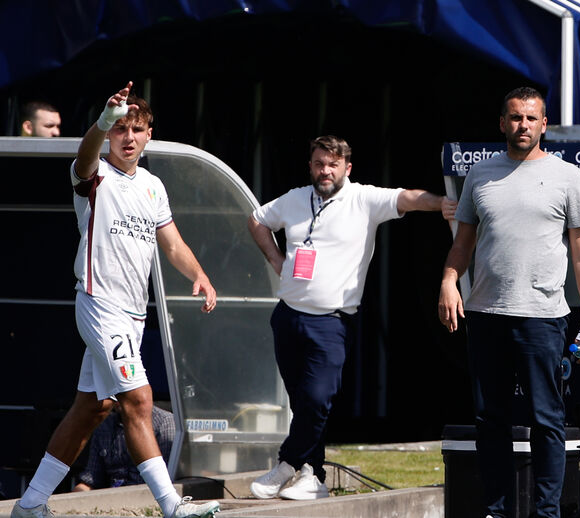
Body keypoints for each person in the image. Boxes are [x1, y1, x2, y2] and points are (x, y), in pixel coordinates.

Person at [12, 81, 219, 518]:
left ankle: (30, 504)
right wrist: (101, 120)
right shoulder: (94, 173)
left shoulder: (153, 186)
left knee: (93, 408)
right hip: (98, 304)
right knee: (139, 401)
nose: (128, 137)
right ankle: (171, 506)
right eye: (120, 128)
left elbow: (172, 242)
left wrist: (199, 274)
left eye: (136, 129)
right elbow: (84, 156)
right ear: (110, 132)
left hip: (132, 313)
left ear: (149, 135)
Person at [247, 134, 456, 500]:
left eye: (332, 164)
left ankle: (286, 465)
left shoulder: (363, 199)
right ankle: (314, 476)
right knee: (303, 405)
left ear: (347, 167)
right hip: (288, 316)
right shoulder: (296, 198)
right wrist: (277, 261)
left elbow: (406, 197)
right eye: (318, 164)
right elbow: (257, 220)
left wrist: (440, 203)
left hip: (332, 321)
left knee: (316, 399)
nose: (325, 171)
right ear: (310, 166)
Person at [438, 86, 580, 518]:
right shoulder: (480, 174)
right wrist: (448, 281)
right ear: (502, 123)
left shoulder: (569, 177)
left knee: (547, 421)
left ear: (544, 124)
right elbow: (463, 243)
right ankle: (497, 510)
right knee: (489, 420)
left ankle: (546, 512)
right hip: (486, 314)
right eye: (515, 117)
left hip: (543, 318)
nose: (523, 125)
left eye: (531, 118)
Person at [73, 403, 175, 491]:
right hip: (110, 498)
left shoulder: (164, 423)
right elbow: (90, 481)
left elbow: (165, 482)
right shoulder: (104, 426)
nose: (117, 396)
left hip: (147, 496)